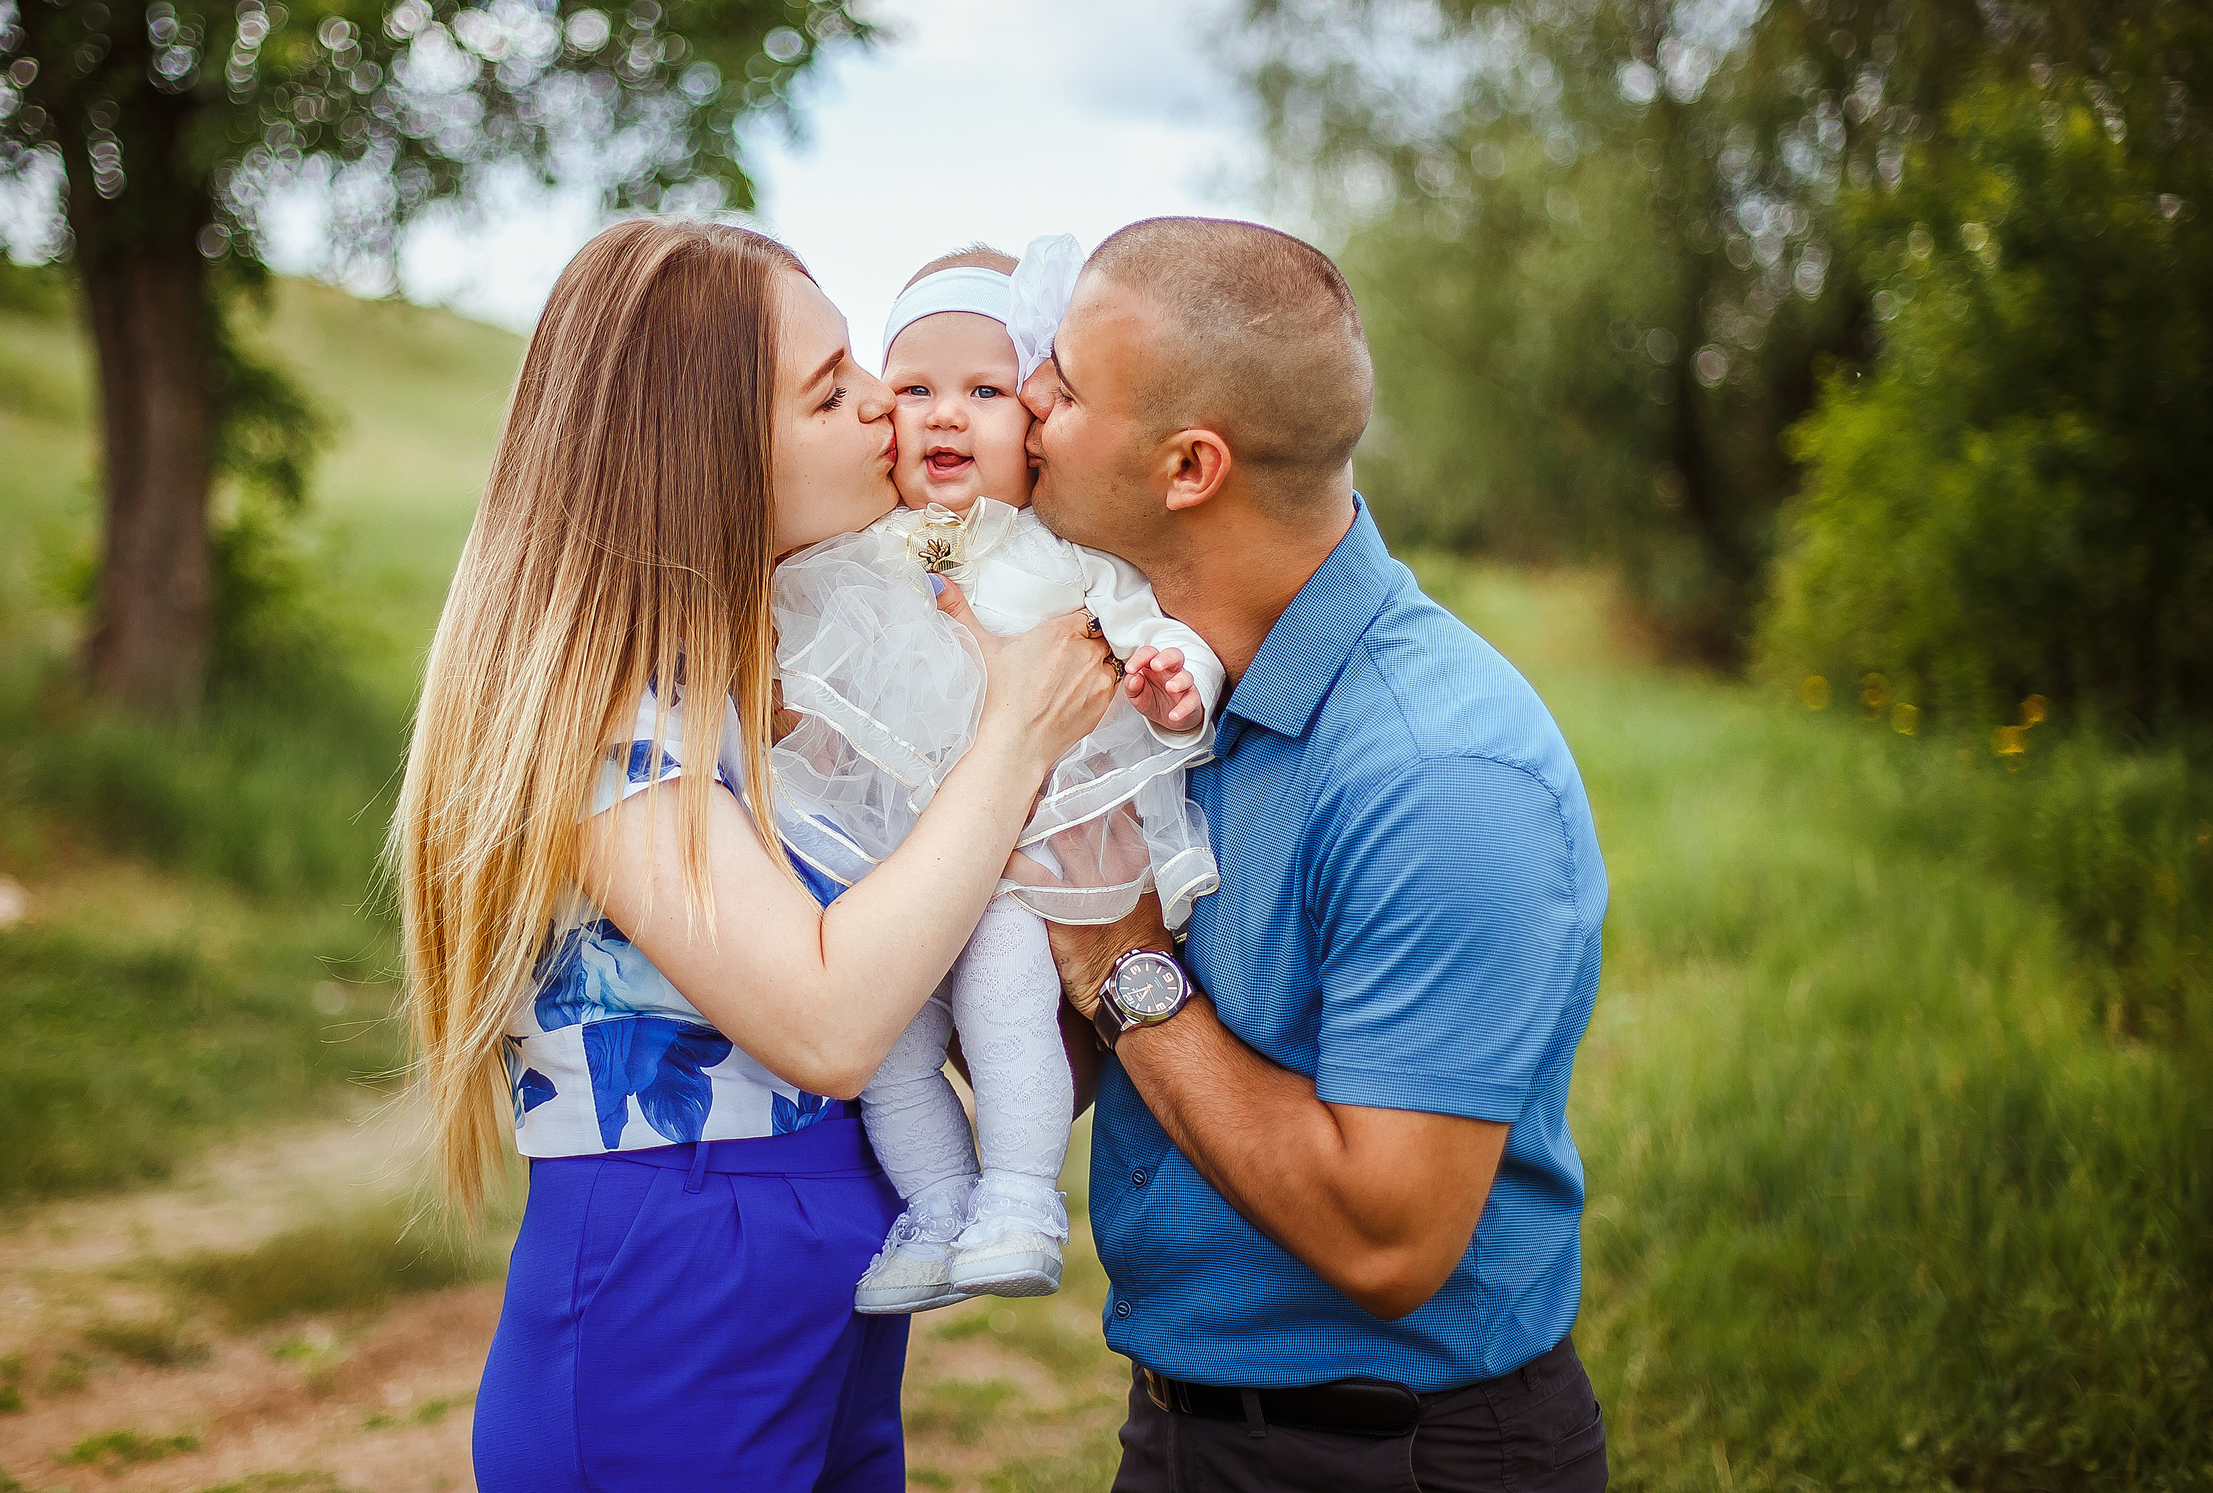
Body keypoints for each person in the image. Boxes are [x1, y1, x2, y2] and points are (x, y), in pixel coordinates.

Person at [393, 219, 1119, 1493]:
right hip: (677, 1277)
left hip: (826, 1255)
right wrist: (1014, 734)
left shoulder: (774, 679)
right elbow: (831, 1025)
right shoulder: (604, 716)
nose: (882, 411)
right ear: (708, 449)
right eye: (831, 389)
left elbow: (931, 992)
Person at [1019, 217, 1611, 1492]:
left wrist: (1125, 963)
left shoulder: (1440, 773)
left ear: (1189, 467)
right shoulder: (1157, 686)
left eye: (1063, 384)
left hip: (1394, 1457)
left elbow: (1388, 1239)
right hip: (1182, 1427)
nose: (1025, 399)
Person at [769, 238, 1223, 1317]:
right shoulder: (871, 548)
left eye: (981, 391)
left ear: (1034, 425)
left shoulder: (1063, 558)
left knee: (1009, 999)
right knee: (885, 1045)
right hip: (902, 860)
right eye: (912, 389)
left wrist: (1178, 678)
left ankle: (1020, 1199)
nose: (940, 415)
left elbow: (1156, 625)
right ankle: (935, 1207)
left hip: (1031, 855)